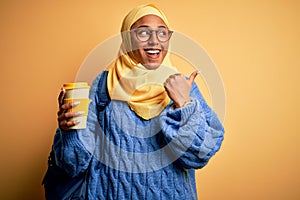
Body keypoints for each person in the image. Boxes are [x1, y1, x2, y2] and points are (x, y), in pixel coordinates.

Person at [54, 4, 224, 199]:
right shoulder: (103, 86)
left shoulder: (183, 86)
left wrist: (184, 106)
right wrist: (69, 131)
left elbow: (197, 157)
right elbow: (73, 164)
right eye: (143, 33)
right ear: (127, 38)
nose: (154, 41)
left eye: (162, 33)